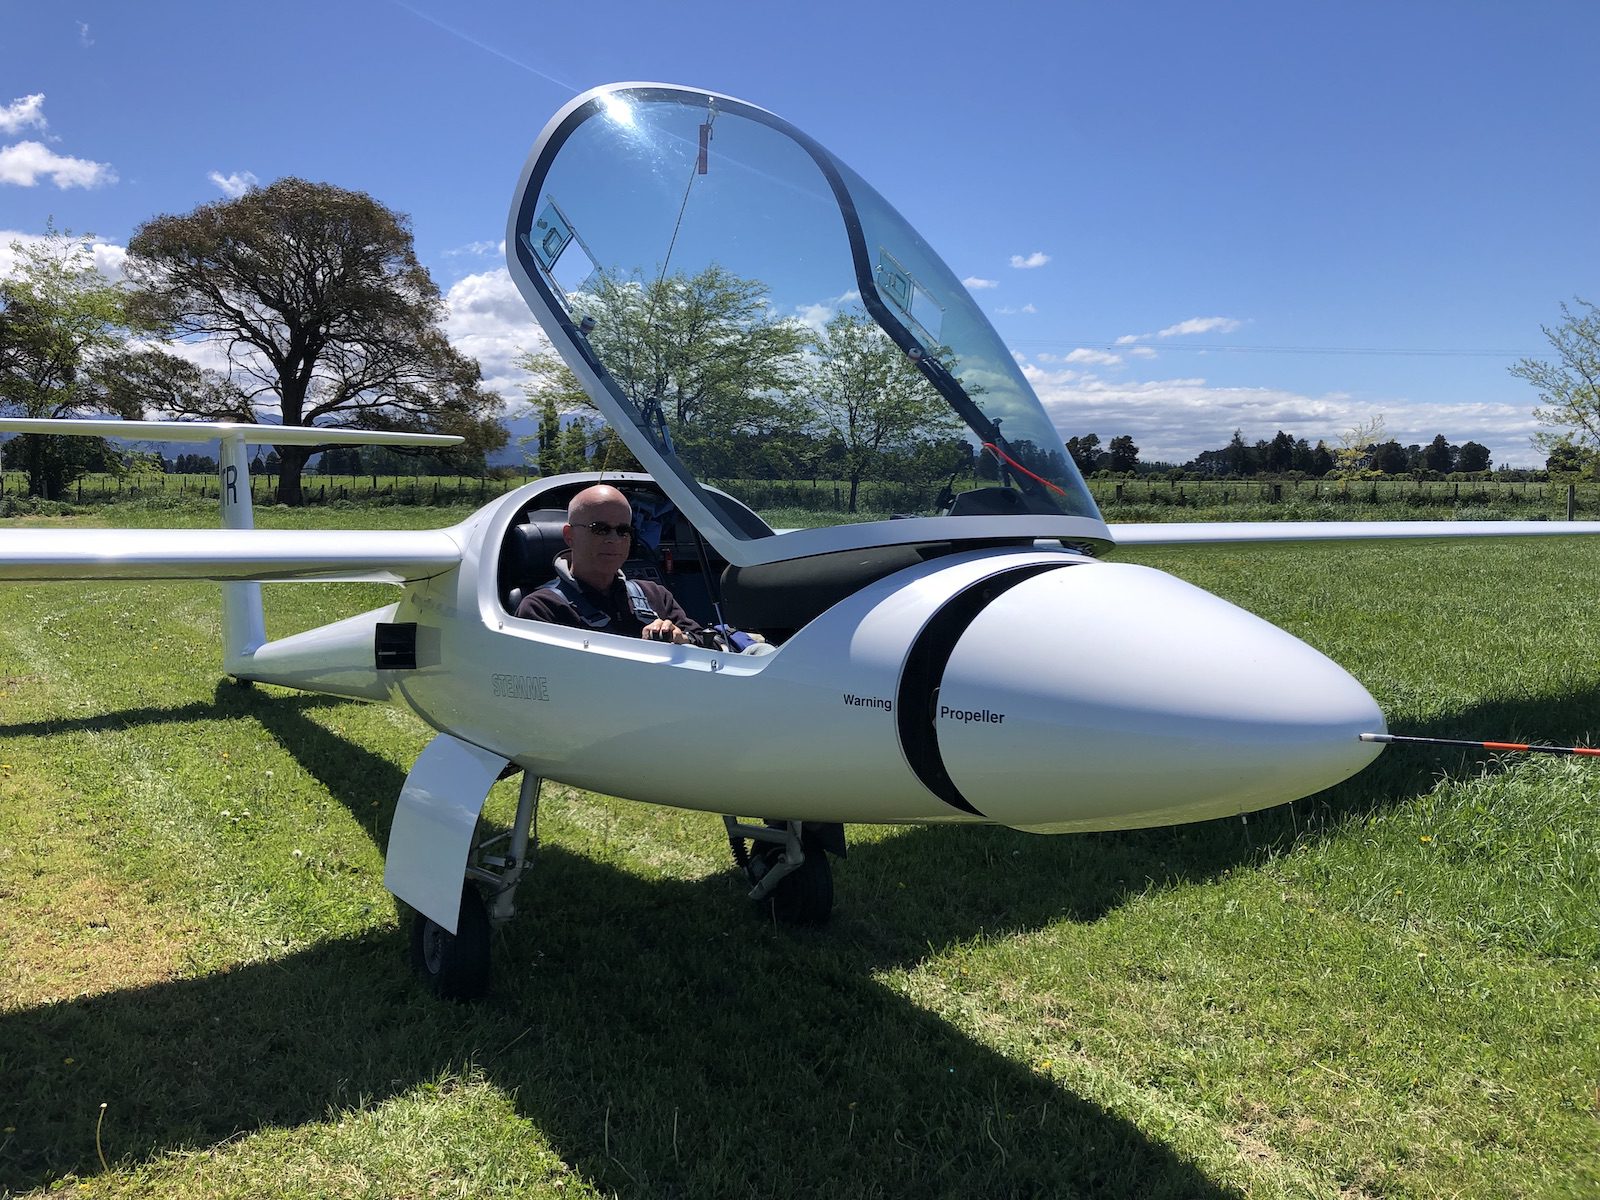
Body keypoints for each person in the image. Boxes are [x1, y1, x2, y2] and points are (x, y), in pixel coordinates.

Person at [515, 484, 710, 645]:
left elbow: (708, 643)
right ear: (569, 535)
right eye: (600, 529)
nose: (614, 539)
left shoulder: (656, 595)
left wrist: (680, 638)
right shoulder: (541, 608)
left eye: (623, 530)